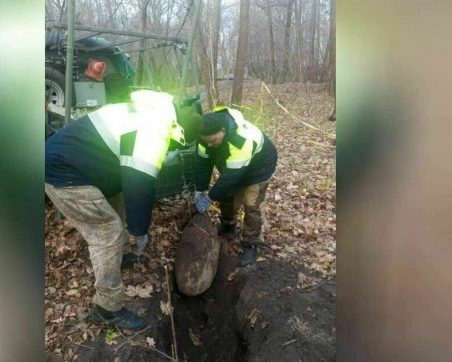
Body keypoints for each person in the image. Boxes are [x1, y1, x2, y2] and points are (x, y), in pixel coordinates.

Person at [45, 90, 200, 330]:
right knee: (108, 232)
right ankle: (107, 308)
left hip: (83, 164)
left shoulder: (155, 110)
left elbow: (129, 181)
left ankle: (123, 256)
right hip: (65, 173)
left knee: (115, 200)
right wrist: (140, 231)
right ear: (179, 131)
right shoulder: (154, 133)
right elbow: (139, 186)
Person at [194, 106, 278, 266]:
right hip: (233, 165)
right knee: (227, 196)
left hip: (259, 167)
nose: (210, 145)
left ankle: (252, 243)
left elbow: (231, 177)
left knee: (252, 204)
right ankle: (228, 225)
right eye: (207, 141)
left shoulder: (240, 139)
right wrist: (201, 190)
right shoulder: (204, 140)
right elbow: (202, 165)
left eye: (213, 141)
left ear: (223, 130)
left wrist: (210, 197)